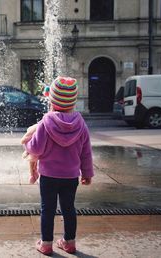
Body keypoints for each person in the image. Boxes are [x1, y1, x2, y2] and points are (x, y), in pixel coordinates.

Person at [23, 76, 94, 255]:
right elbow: (86, 152)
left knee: (47, 208)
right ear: (73, 102)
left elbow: (36, 149)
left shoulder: (46, 123)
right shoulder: (81, 124)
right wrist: (87, 173)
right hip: (71, 176)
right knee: (68, 208)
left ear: (52, 100)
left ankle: (46, 244)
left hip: (49, 175)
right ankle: (69, 242)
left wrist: (27, 143)